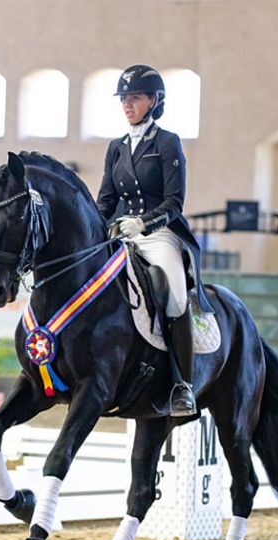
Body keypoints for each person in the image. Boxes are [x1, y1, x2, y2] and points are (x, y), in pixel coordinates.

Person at [96, 64, 213, 417]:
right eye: (124, 99)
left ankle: (182, 384)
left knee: (173, 291)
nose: (127, 105)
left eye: (134, 98)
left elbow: (174, 202)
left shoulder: (167, 142)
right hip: (121, 234)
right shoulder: (116, 147)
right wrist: (96, 226)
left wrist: (142, 223)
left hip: (159, 234)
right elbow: (105, 200)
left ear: (154, 100)